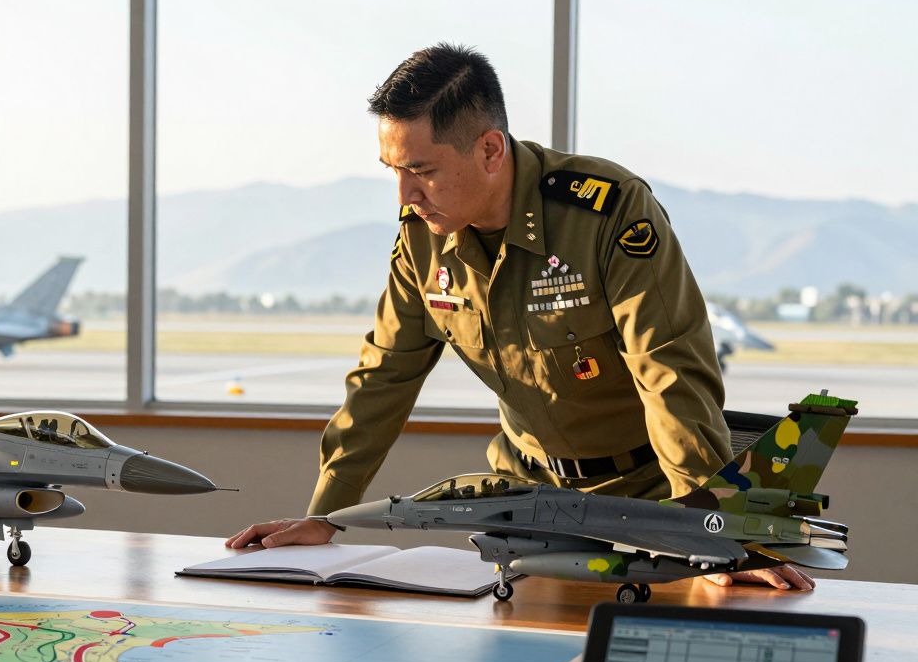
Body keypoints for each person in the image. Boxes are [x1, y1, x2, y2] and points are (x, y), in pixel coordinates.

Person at [226, 43, 812, 591]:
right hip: (531, 507)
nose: (404, 194)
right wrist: (325, 514)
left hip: (651, 500)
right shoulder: (422, 241)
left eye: (423, 171)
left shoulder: (605, 212)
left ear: (489, 150)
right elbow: (381, 381)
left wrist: (708, 536)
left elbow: (670, 374)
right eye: (393, 170)